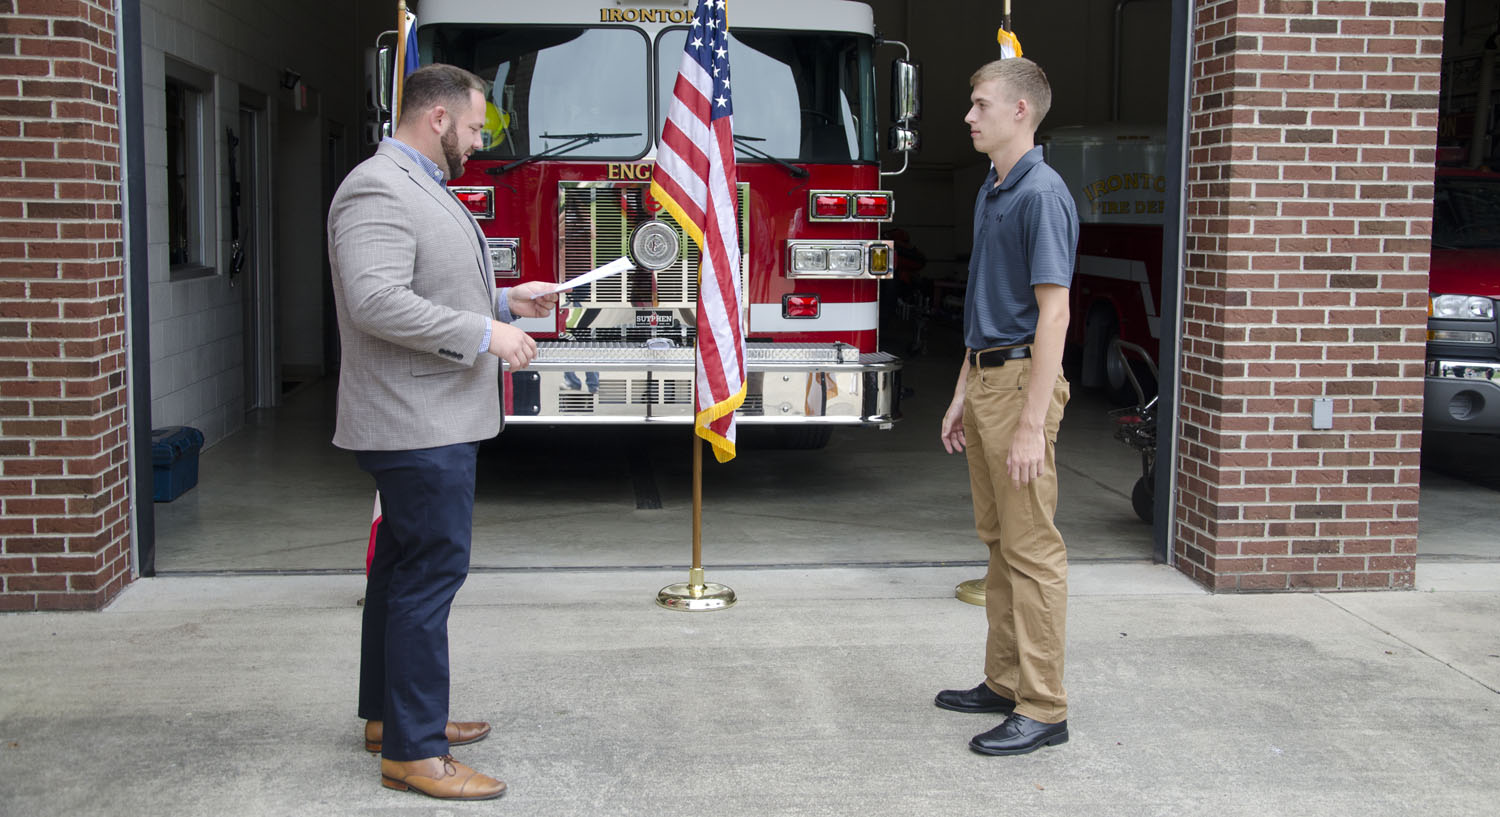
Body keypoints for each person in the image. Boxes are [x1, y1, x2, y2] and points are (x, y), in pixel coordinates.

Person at [327, 63, 559, 800]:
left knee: (399, 573)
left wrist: (506, 297)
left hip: (427, 416)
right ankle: (414, 751)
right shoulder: (376, 185)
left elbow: (428, 277)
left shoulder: (417, 183)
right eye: (472, 126)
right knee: (431, 576)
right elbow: (375, 301)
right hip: (413, 422)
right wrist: (484, 333)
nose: (477, 141)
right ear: (435, 117)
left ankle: (389, 719)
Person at [936, 57, 1078, 756]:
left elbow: (1052, 317)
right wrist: (963, 391)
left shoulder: (1041, 194)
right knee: (998, 544)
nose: (969, 116)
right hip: (989, 380)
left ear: (1019, 111)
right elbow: (989, 306)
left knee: (1031, 551)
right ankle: (1003, 680)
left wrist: (1030, 424)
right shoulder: (995, 187)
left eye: (981, 104)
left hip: (1024, 386)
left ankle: (1044, 706)